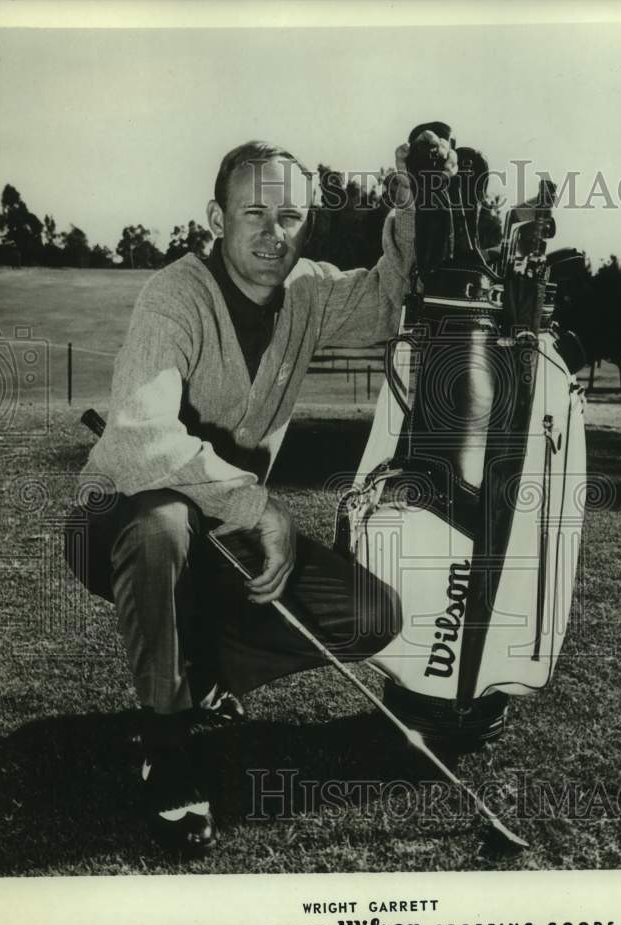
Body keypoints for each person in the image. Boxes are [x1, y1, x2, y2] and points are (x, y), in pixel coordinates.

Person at [65, 130, 458, 856]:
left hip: (219, 536)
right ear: (216, 220)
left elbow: (384, 298)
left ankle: (195, 675)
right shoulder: (173, 295)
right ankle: (168, 743)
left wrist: (407, 203)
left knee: (370, 614)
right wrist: (258, 507)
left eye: (290, 218)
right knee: (164, 524)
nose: (274, 235)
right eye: (254, 215)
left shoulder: (305, 293)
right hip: (116, 519)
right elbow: (139, 440)